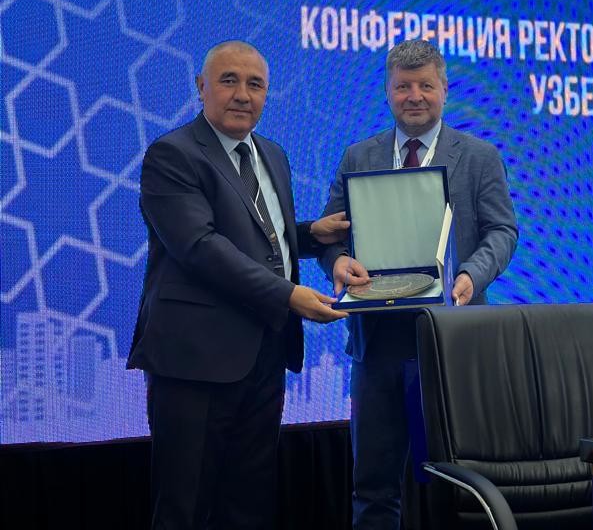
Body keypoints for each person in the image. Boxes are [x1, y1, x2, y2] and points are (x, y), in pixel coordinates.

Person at [127, 40, 368, 529]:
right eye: (229, 81)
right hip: (194, 363)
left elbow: (258, 237)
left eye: (255, 84)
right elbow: (200, 247)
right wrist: (289, 295)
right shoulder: (172, 155)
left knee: (249, 506)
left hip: (264, 356)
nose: (242, 94)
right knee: (185, 508)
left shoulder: (272, 155)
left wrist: (309, 235)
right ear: (201, 87)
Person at [319, 39, 518, 530]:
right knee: (373, 487)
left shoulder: (479, 157)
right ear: (388, 92)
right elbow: (329, 234)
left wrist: (470, 274)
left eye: (425, 86)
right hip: (377, 345)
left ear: (444, 90)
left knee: (461, 484)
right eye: (403, 86)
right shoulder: (358, 156)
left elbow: (502, 231)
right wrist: (338, 262)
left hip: (452, 341)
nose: (414, 96)